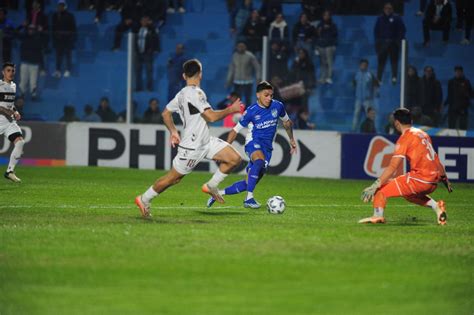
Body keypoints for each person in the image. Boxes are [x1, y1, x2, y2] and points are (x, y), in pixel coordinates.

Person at [135, 59, 243, 218]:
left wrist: (173, 131)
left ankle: (211, 186)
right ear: (200, 74)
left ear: (184, 75)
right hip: (192, 147)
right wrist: (231, 109)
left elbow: (165, 113)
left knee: (234, 158)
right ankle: (144, 199)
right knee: (173, 179)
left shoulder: (181, 94)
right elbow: (211, 117)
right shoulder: (197, 93)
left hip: (205, 141)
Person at [206, 81, 296, 209]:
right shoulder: (251, 111)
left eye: (271, 95)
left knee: (248, 183)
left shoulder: (278, 106)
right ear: (258, 95)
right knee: (259, 161)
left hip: (267, 148)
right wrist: (223, 149)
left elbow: (287, 122)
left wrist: (291, 139)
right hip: (253, 143)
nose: (269, 98)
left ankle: (218, 193)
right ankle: (249, 199)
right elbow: (234, 131)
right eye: (266, 95)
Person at [360, 108, 452, 225]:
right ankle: (437, 206)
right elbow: (436, 158)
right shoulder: (423, 134)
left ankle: (377, 216)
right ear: (411, 121)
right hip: (433, 182)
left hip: (420, 179)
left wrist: (375, 185)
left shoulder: (404, 138)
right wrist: (444, 179)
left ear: (397, 123)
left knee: (381, 190)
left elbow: (393, 167)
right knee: (408, 194)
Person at [0, 63, 25, 183]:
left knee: (20, 142)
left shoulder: (14, 86)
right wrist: (9, 112)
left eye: (13, 71)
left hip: (9, 122)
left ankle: (10, 171)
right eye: (8, 70)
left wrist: (15, 111)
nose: (11, 73)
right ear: (3, 72)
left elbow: (10, 104)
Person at [374, 2, 406, 84]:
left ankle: (394, 77)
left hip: (393, 44)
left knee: (394, 61)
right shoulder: (380, 18)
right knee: (381, 61)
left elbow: (402, 30)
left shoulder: (397, 18)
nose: (388, 10)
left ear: (392, 9)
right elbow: (376, 30)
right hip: (383, 43)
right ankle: (379, 78)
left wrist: (398, 40)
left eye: (389, 8)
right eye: (386, 8)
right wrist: (378, 41)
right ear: (383, 9)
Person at [226, 42, 261, 107]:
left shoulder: (250, 55)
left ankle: (248, 113)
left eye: (242, 46)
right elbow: (232, 69)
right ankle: (238, 113)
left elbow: (257, 67)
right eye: (239, 46)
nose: (241, 48)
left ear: (245, 47)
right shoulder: (234, 56)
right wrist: (228, 80)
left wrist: (258, 78)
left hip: (248, 81)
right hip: (237, 81)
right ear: (237, 47)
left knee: (248, 99)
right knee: (237, 99)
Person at [52, 0, 77, 78]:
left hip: (67, 40)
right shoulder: (55, 16)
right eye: (59, 6)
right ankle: (58, 70)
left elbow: (73, 28)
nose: (60, 7)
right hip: (58, 40)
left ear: (65, 6)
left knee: (67, 56)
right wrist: (55, 37)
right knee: (58, 56)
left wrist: (71, 38)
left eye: (61, 6)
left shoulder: (70, 16)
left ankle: (68, 70)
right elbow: (53, 28)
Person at [135, 15, 159, 92]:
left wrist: (153, 49)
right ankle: (138, 87)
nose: (144, 22)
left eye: (146, 20)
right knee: (138, 71)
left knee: (149, 71)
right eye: (143, 20)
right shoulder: (137, 29)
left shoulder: (151, 29)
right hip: (138, 52)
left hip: (147, 53)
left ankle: (149, 87)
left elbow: (155, 39)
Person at [19, 25, 43, 100]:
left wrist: (42, 66)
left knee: (33, 81)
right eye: (29, 29)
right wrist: (21, 26)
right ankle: (21, 93)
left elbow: (40, 52)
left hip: (34, 63)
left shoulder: (38, 38)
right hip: (25, 62)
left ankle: (33, 94)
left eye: (32, 29)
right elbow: (15, 34)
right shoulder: (24, 37)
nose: (31, 31)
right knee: (23, 80)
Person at [352, 59, 377, 131]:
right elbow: (353, 84)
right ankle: (353, 130)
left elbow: (375, 85)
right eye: (362, 65)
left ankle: (372, 130)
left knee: (370, 115)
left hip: (367, 99)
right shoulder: (356, 74)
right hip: (358, 99)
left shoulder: (370, 75)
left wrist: (373, 95)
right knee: (356, 114)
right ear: (360, 66)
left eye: (365, 65)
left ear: (367, 66)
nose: (363, 66)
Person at [446, 66, 472, 130]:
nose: (458, 73)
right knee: (451, 127)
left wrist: (466, 94)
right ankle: (451, 140)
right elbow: (449, 95)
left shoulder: (466, 82)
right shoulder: (451, 82)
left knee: (463, 128)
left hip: (463, 108)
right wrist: (445, 104)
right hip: (452, 108)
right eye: (457, 72)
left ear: (462, 72)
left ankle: (463, 140)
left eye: (459, 72)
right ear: (455, 72)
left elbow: (471, 94)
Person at [315, 10, 338, 84]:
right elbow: (317, 34)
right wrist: (321, 29)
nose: (326, 16)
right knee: (323, 63)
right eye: (325, 15)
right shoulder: (319, 25)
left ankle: (329, 77)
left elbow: (335, 34)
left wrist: (329, 28)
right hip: (321, 46)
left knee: (329, 62)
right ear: (323, 16)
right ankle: (322, 78)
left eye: (328, 15)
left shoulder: (333, 25)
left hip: (330, 46)